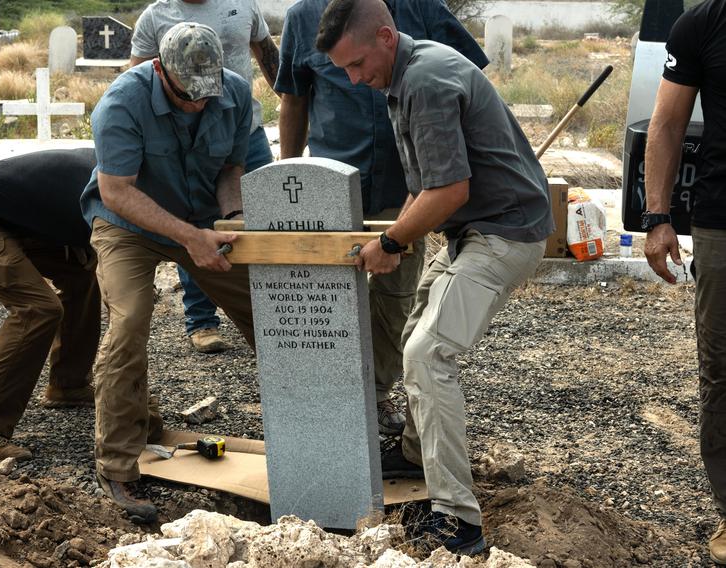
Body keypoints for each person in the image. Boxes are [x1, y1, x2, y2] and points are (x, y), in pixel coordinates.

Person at [316, 0, 552, 554]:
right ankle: (419, 452)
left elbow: (449, 192)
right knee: (414, 333)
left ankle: (458, 521)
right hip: (470, 229)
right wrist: (400, 232)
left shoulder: (423, 80)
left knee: (428, 353)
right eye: (343, 70)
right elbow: (426, 187)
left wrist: (393, 241)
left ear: (384, 36)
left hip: (505, 233)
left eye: (356, 64)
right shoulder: (404, 75)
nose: (354, 79)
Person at [275, 0, 488, 436]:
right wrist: (286, 182)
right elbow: (293, 103)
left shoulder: (423, 9)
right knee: (320, 300)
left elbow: (467, 76)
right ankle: (324, 401)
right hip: (330, 185)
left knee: (394, 296)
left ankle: (374, 395)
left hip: (406, 189)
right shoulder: (302, 17)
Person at [81, 22, 255, 524]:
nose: (199, 105)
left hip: (203, 220)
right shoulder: (120, 103)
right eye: (187, 97)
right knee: (129, 320)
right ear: (160, 71)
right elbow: (116, 191)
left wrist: (235, 220)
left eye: (207, 95)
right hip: (126, 225)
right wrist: (188, 237)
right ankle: (116, 462)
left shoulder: (234, 92)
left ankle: (317, 431)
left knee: (269, 304)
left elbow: (231, 169)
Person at [0, 149, 105, 465]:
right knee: (38, 309)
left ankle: (68, 384)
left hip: (9, 222)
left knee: (81, 273)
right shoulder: (107, 182)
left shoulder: (114, 168)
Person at [130, 0, 278, 354]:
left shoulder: (243, 5)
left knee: (258, 224)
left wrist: (288, 96)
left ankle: (272, 320)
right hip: (188, 141)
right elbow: (138, 81)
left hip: (244, 130)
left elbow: (267, 53)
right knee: (195, 222)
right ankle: (201, 320)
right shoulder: (156, 16)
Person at [641, 0, 726, 562]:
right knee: (721, 365)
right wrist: (657, 216)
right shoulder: (701, 23)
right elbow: (668, 123)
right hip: (723, 218)